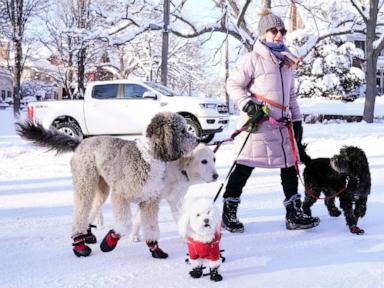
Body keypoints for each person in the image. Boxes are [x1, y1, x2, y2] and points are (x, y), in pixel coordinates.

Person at [222, 8, 320, 233]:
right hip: (257, 124)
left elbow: (290, 96)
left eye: (282, 31)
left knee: (289, 167)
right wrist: (247, 104)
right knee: (244, 166)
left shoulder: (286, 62)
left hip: (282, 126)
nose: (279, 35)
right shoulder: (251, 59)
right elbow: (233, 85)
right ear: (263, 34)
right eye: (273, 31)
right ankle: (229, 213)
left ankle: (294, 214)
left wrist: (297, 121)